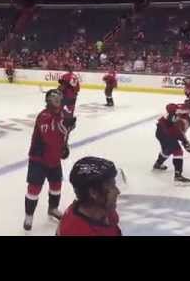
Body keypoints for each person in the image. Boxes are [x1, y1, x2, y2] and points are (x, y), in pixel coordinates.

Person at [23, 89, 76, 231]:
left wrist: (64, 146)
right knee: (34, 188)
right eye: (53, 97)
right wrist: (65, 127)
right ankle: (29, 216)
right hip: (38, 159)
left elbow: (62, 135)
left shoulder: (63, 114)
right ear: (47, 100)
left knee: (56, 185)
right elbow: (50, 137)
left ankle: (53, 208)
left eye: (59, 96)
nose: (57, 98)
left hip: (54, 159)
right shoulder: (44, 116)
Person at [56, 157, 121, 236]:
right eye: (111, 186)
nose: (117, 192)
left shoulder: (103, 211)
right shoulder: (77, 231)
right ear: (93, 193)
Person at [152, 103, 190, 185]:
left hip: (161, 132)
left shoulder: (181, 115)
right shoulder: (177, 115)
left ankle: (158, 164)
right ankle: (178, 176)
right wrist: (185, 143)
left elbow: (179, 132)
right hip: (166, 132)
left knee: (167, 150)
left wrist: (185, 142)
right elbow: (177, 131)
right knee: (178, 151)